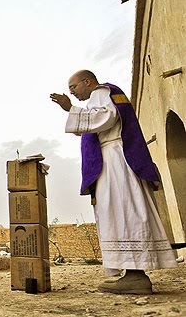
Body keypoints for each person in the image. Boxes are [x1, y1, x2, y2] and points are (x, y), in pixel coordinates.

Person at [50, 69, 178, 295]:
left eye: (74, 88)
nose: (72, 93)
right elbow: (93, 125)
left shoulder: (102, 92)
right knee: (120, 211)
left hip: (116, 163)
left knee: (122, 210)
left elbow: (105, 118)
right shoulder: (100, 98)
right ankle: (131, 273)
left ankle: (136, 276)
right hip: (113, 160)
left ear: (87, 82)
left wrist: (70, 108)